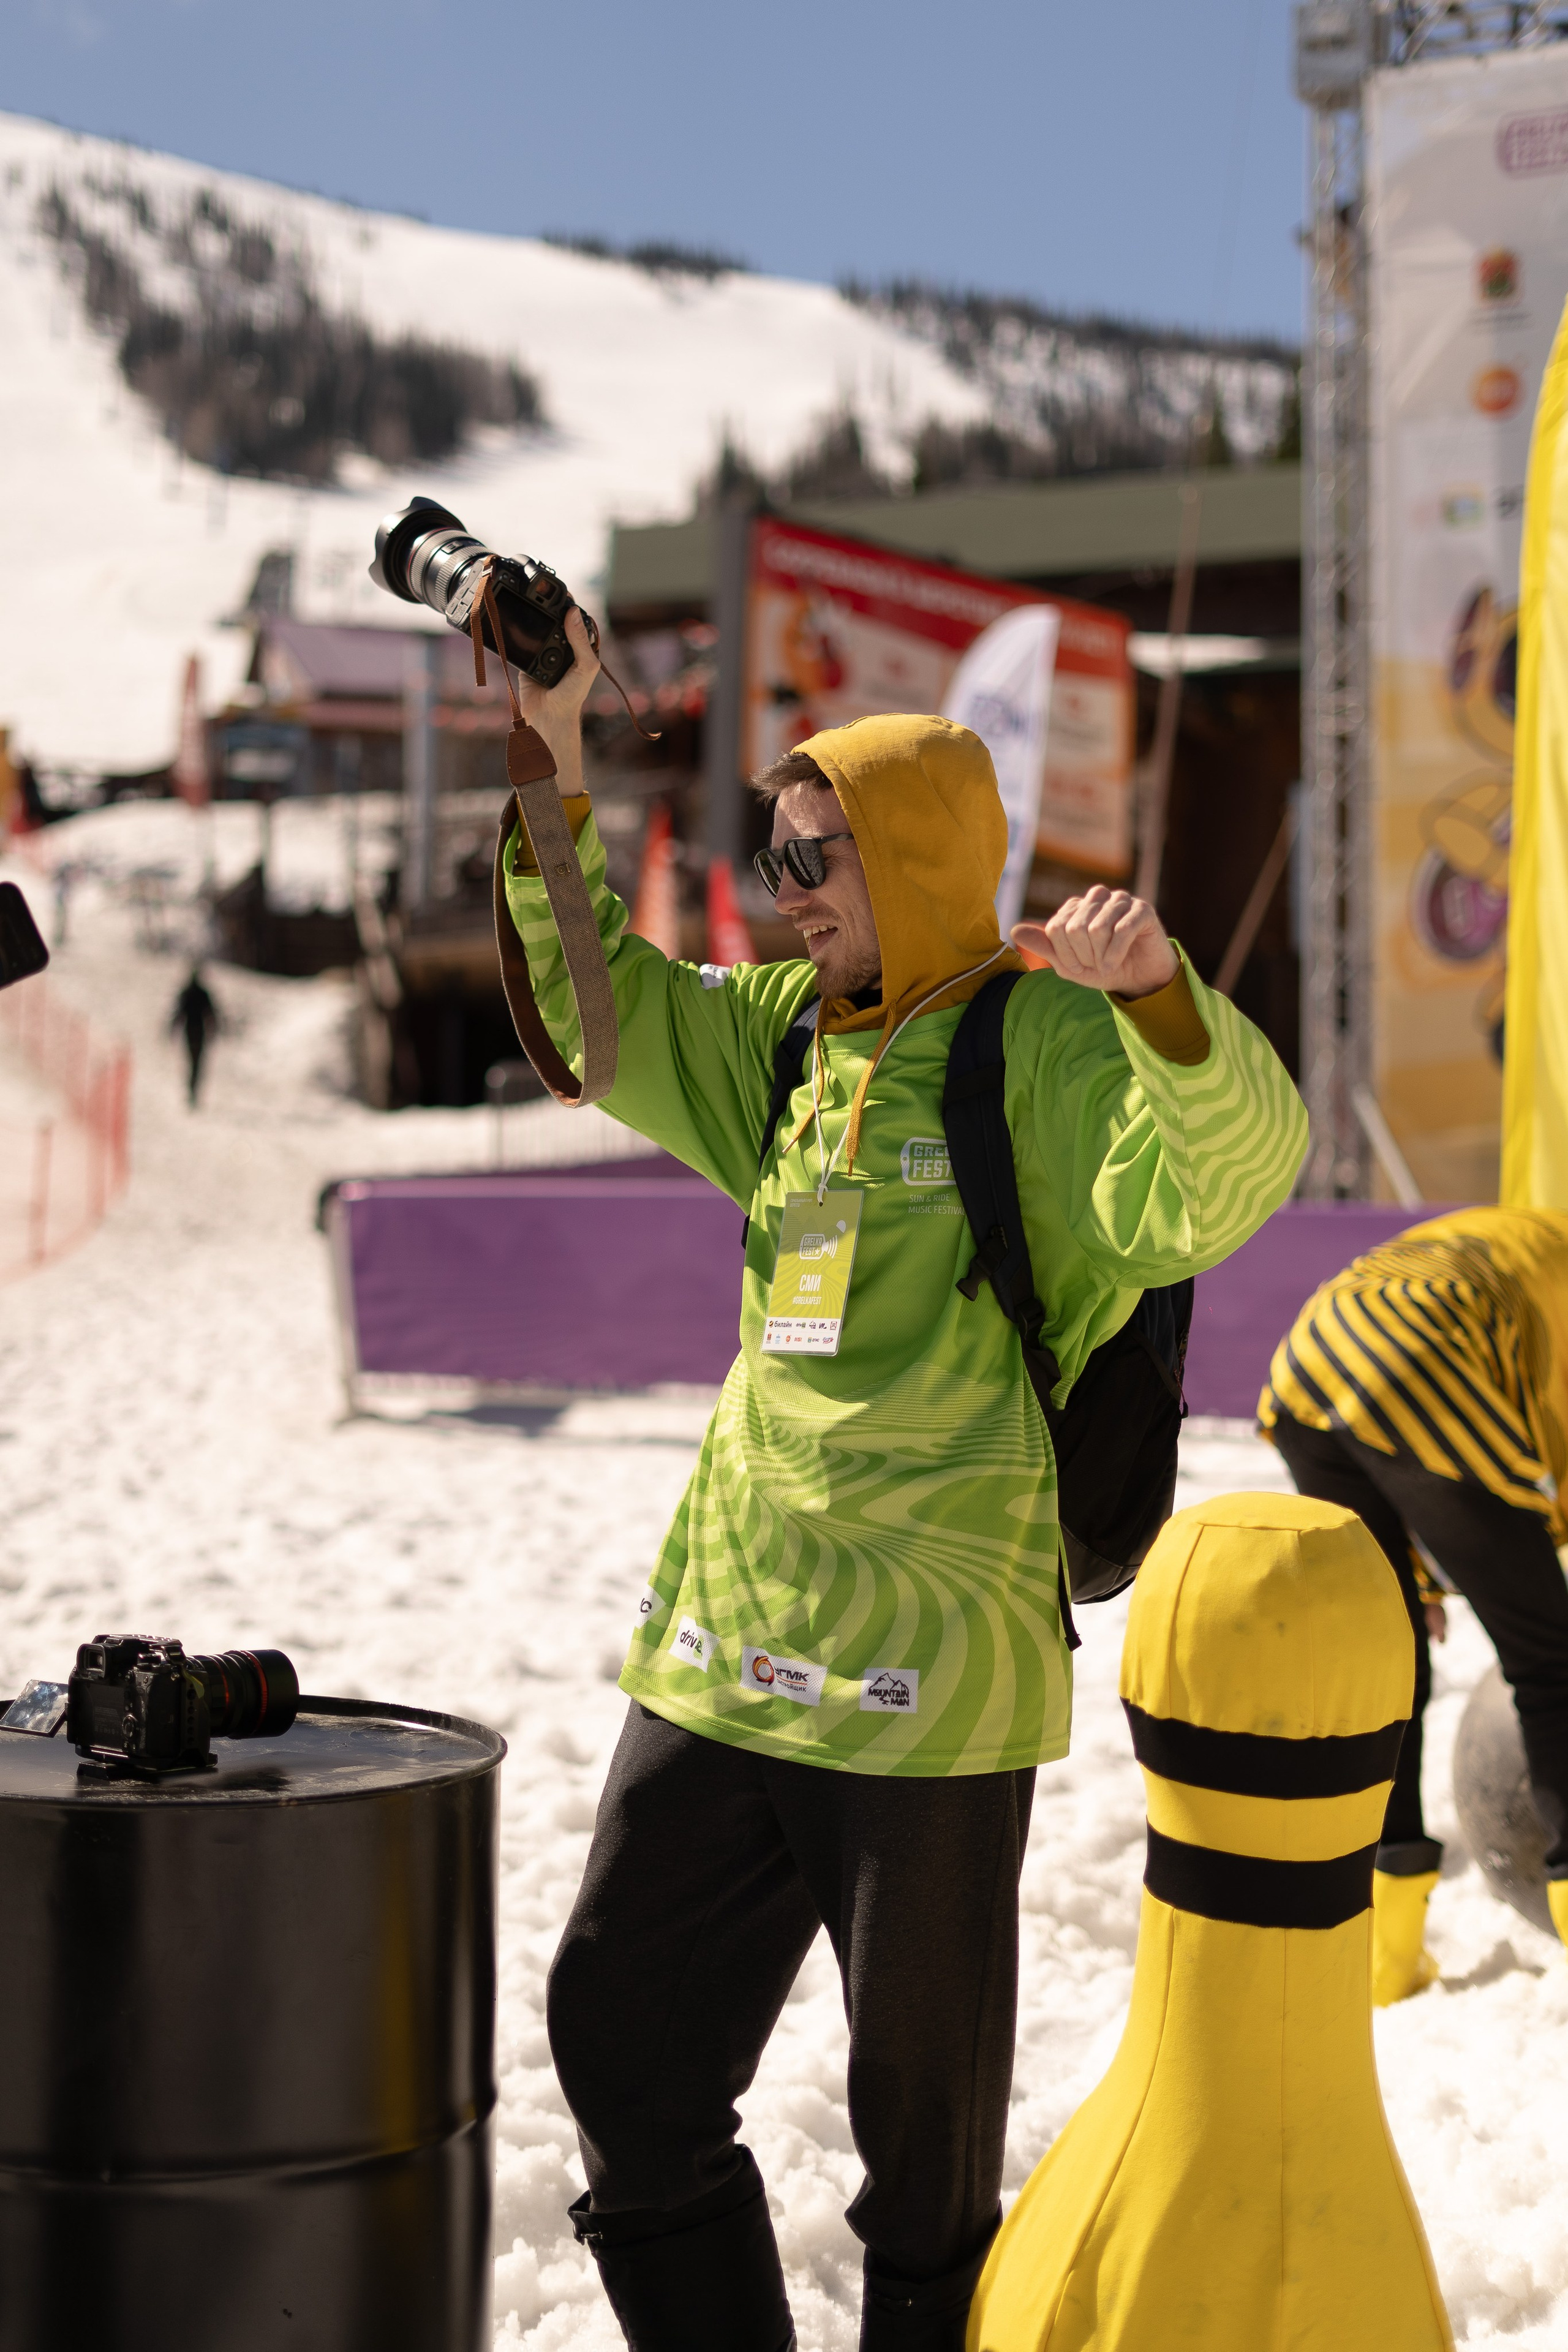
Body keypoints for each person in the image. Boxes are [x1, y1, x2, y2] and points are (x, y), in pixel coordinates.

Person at [505, 609, 1307, 2352]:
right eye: (776, 848)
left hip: (929, 1688)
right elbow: (598, 1003)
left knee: (922, 2179)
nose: (788, 883)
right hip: (729, 1648)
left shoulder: (1046, 1047)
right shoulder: (786, 1040)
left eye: (821, 851)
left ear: (921, 855)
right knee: (621, 2047)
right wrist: (553, 755)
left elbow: (1228, 1183)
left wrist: (1160, 996)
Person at [1259, 1207, 1568, 2003]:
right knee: (1550, 1658)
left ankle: (1386, 1955)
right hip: (1420, 1347)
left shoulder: (1520, 1233)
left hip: (1309, 1360)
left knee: (1389, 1656)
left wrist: (1418, 1579)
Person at [170, 965, 218, 1106]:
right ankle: (193, 1091)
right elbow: (211, 1014)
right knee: (196, 1063)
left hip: (191, 1031)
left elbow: (179, 1014)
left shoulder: (189, 993)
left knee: (193, 1062)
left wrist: (173, 1029)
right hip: (197, 1031)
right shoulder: (201, 993)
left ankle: (193, 1091)